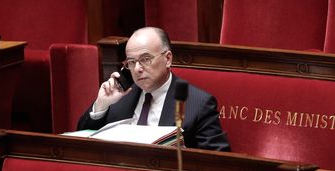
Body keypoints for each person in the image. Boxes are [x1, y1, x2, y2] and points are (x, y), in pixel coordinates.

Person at [77, 27, 230, 151]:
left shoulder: (198, 104)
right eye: (131, 62)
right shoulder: (120, 97)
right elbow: (82, 139)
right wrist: (102, 105)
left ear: (168, 58)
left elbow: (217, 163)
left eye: (145, 59)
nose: (137, 69)